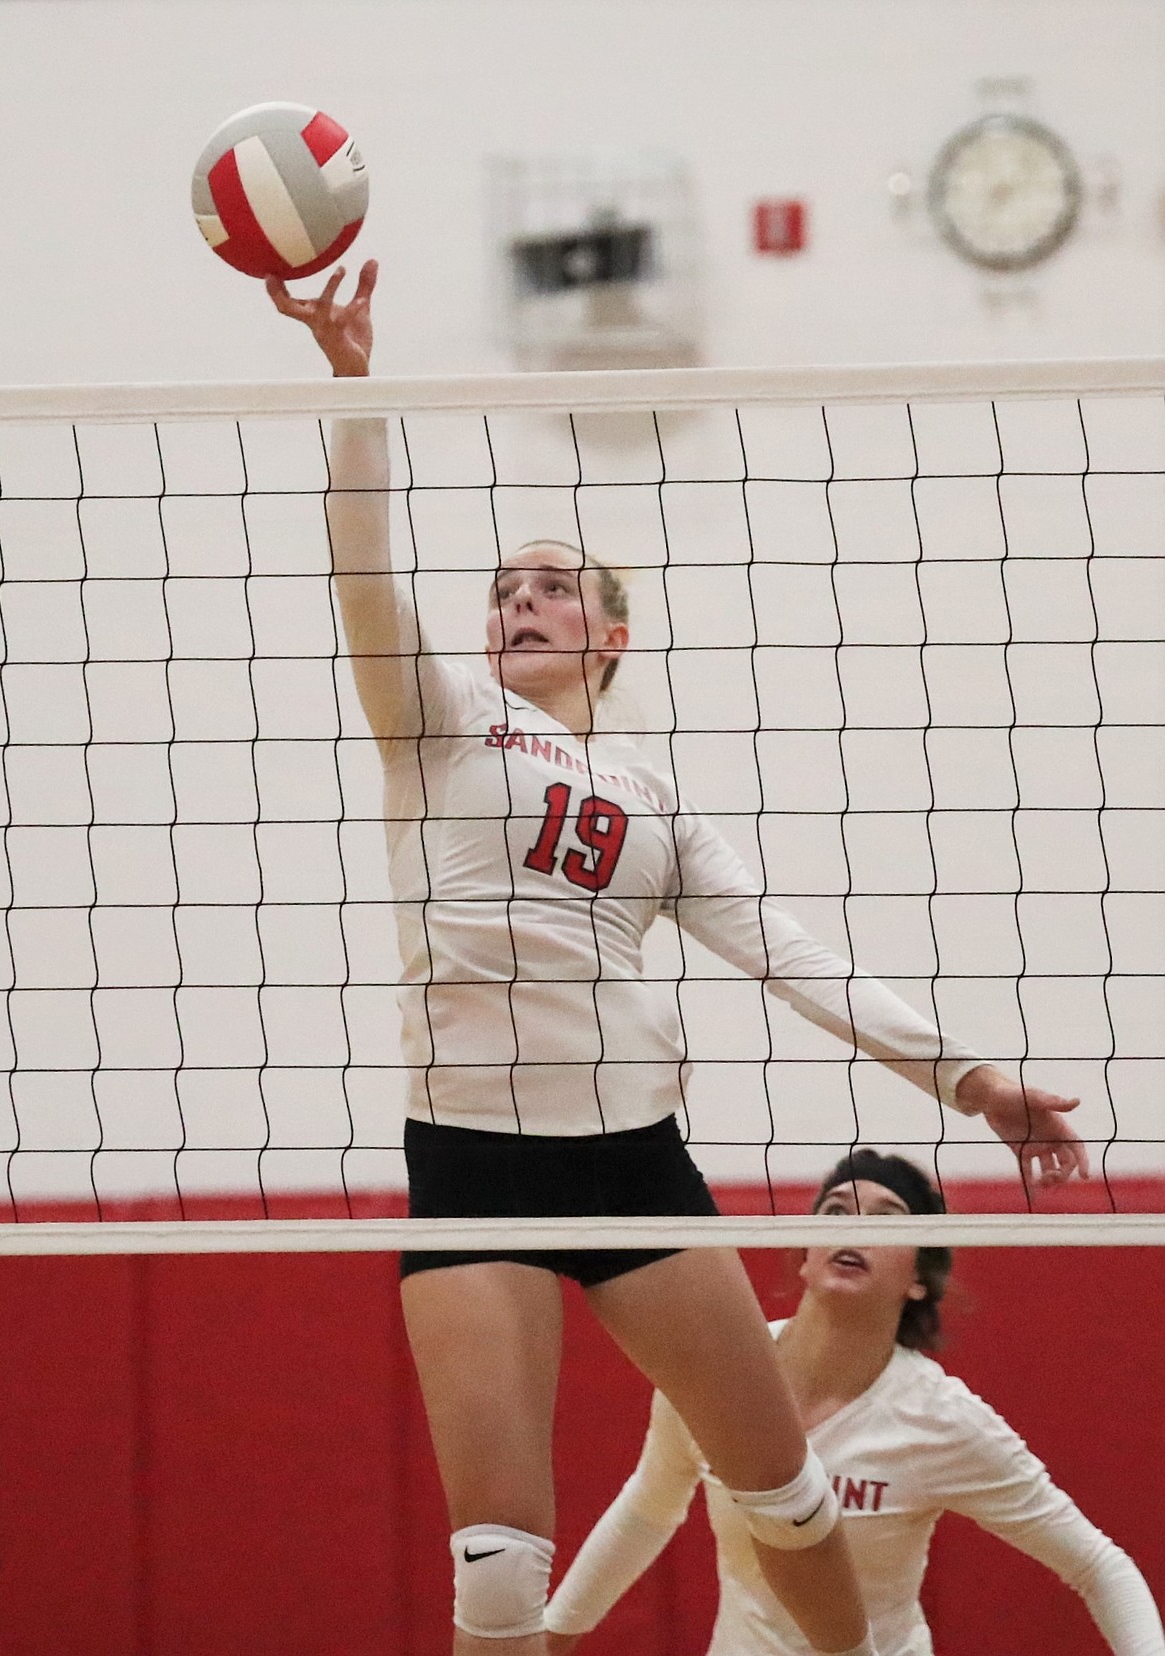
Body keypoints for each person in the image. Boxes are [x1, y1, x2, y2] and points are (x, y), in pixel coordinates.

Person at [266, 260, 1090, 1656]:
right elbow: (361, 568)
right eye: (504, 588)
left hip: (633, 1161)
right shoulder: (439, 718)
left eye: (554, 588)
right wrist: (357, 389)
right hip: (470, 1160)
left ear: (610, 632)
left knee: (787, 1501)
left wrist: (970, 1083)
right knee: (495, 1577)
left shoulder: (654, 797)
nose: (519, 602)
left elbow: (790, 955)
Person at [544, 1149, 1164, 1656]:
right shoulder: (721, 1374)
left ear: (919, 1278)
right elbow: (648, 1511)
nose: (852, 1226)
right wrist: (550, 1638)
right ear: (806, 1257)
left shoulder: (941, 1418)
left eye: (887, 1217)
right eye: (836, 1210)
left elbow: (1098, 1565)